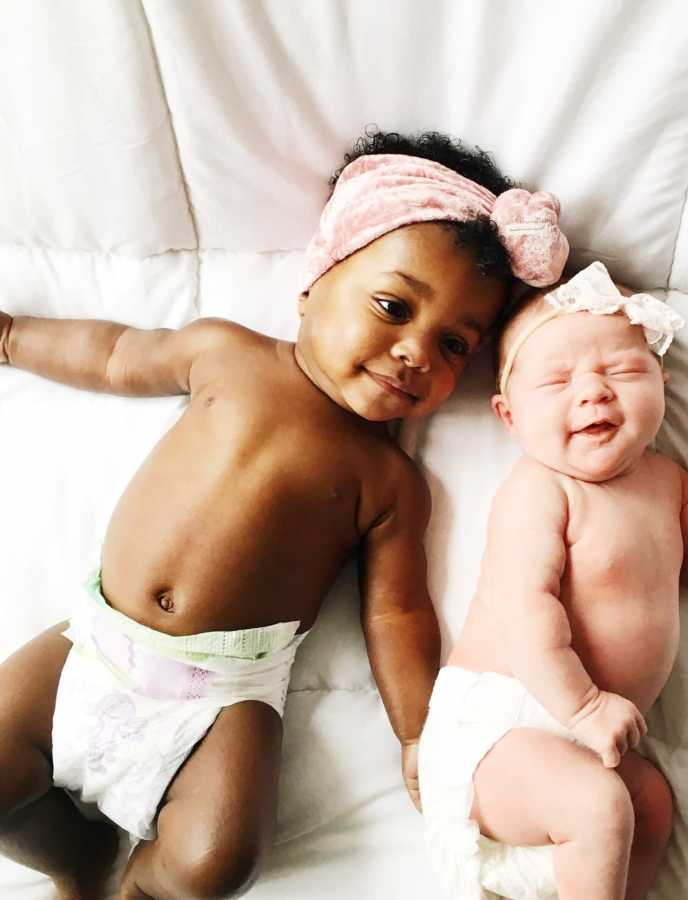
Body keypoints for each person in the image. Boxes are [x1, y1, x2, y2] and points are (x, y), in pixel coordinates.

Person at [0, 129, 569, 900]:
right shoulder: (224, 355)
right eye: (393, 307)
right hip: (98, 644)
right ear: (315, 283)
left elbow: (396, 616)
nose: (414, 352)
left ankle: (139, 888)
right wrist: (9, 337)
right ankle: (75, 859)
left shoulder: (391, 480)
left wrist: (416, 733)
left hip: (225, 697)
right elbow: (114, 355)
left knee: (218, 863)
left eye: (454, 345)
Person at [417, 261, 688, 900]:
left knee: (650, 806)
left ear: (662, 384)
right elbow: (522, 606)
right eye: (557, 381)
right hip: (507, 725)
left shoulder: (667, 482)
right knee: (599, 806)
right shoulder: (540, 489)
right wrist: (581, 706)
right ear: (509, 416)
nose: (593, 392)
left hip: (595, 741)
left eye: (621, 371)